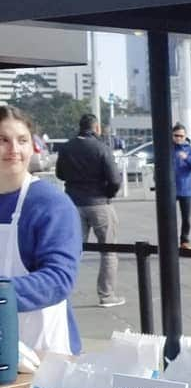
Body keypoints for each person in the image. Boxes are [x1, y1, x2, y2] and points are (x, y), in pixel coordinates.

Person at [0, 105, 83, 355]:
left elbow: (58, 279)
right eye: (3, 140)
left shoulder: (50, 204)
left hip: (43, 352)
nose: (14, 149)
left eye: (22, 140)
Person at [54, 112, 125, 308]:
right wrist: (108, 195)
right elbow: (114, 179)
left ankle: (62, 293)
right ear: (96, 128)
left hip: (74, 202)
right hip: (99, 202)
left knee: (73, 250)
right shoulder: (102, 148)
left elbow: (60, 174)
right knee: (109, 250)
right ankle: (107, 295)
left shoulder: (67, 147)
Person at [171, 123, 191, 250]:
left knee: (186, 217)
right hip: (170, 189)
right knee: (168, 217)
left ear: (185, 136)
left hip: (185, 189)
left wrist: (187, 158)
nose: (178, 138)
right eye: (176, 136)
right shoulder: (168, 149)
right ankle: (170, 240)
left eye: (181, 136)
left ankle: (184, 240)